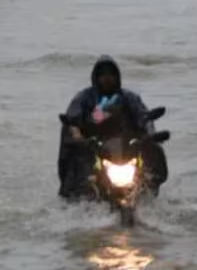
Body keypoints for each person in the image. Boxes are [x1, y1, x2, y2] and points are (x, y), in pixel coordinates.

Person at [57, 55, 169, 199]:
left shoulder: (129, 97)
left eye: (111, 74)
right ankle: (77, 198)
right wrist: (78, 137)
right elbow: (73, 121)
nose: (107, 78)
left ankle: (149, 191)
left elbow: (142, 116)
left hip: (125, 148)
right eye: (103, 74)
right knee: (81, 173)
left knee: (151, 159)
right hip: (94, 145)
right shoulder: (83, 98)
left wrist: (149, 134)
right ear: (96, 77)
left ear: (117, 76)